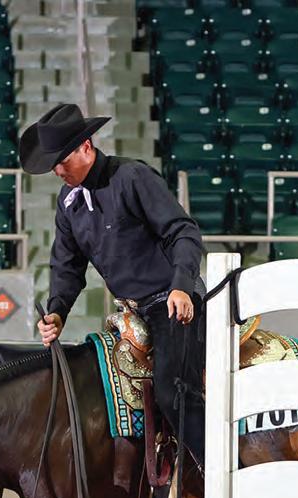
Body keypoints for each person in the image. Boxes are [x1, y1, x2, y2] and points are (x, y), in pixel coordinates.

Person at [18, 103, 207, 470]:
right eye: (53, 165)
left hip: (171, 299)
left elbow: (182, 231)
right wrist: (57, 311)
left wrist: (182, 285)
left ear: (86, 147)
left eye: (62, 162)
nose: (58, 171)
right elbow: (67, 265)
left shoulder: (132, 177)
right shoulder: (68, 204)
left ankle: (218, 475)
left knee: (173, 391)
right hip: (131, 311)